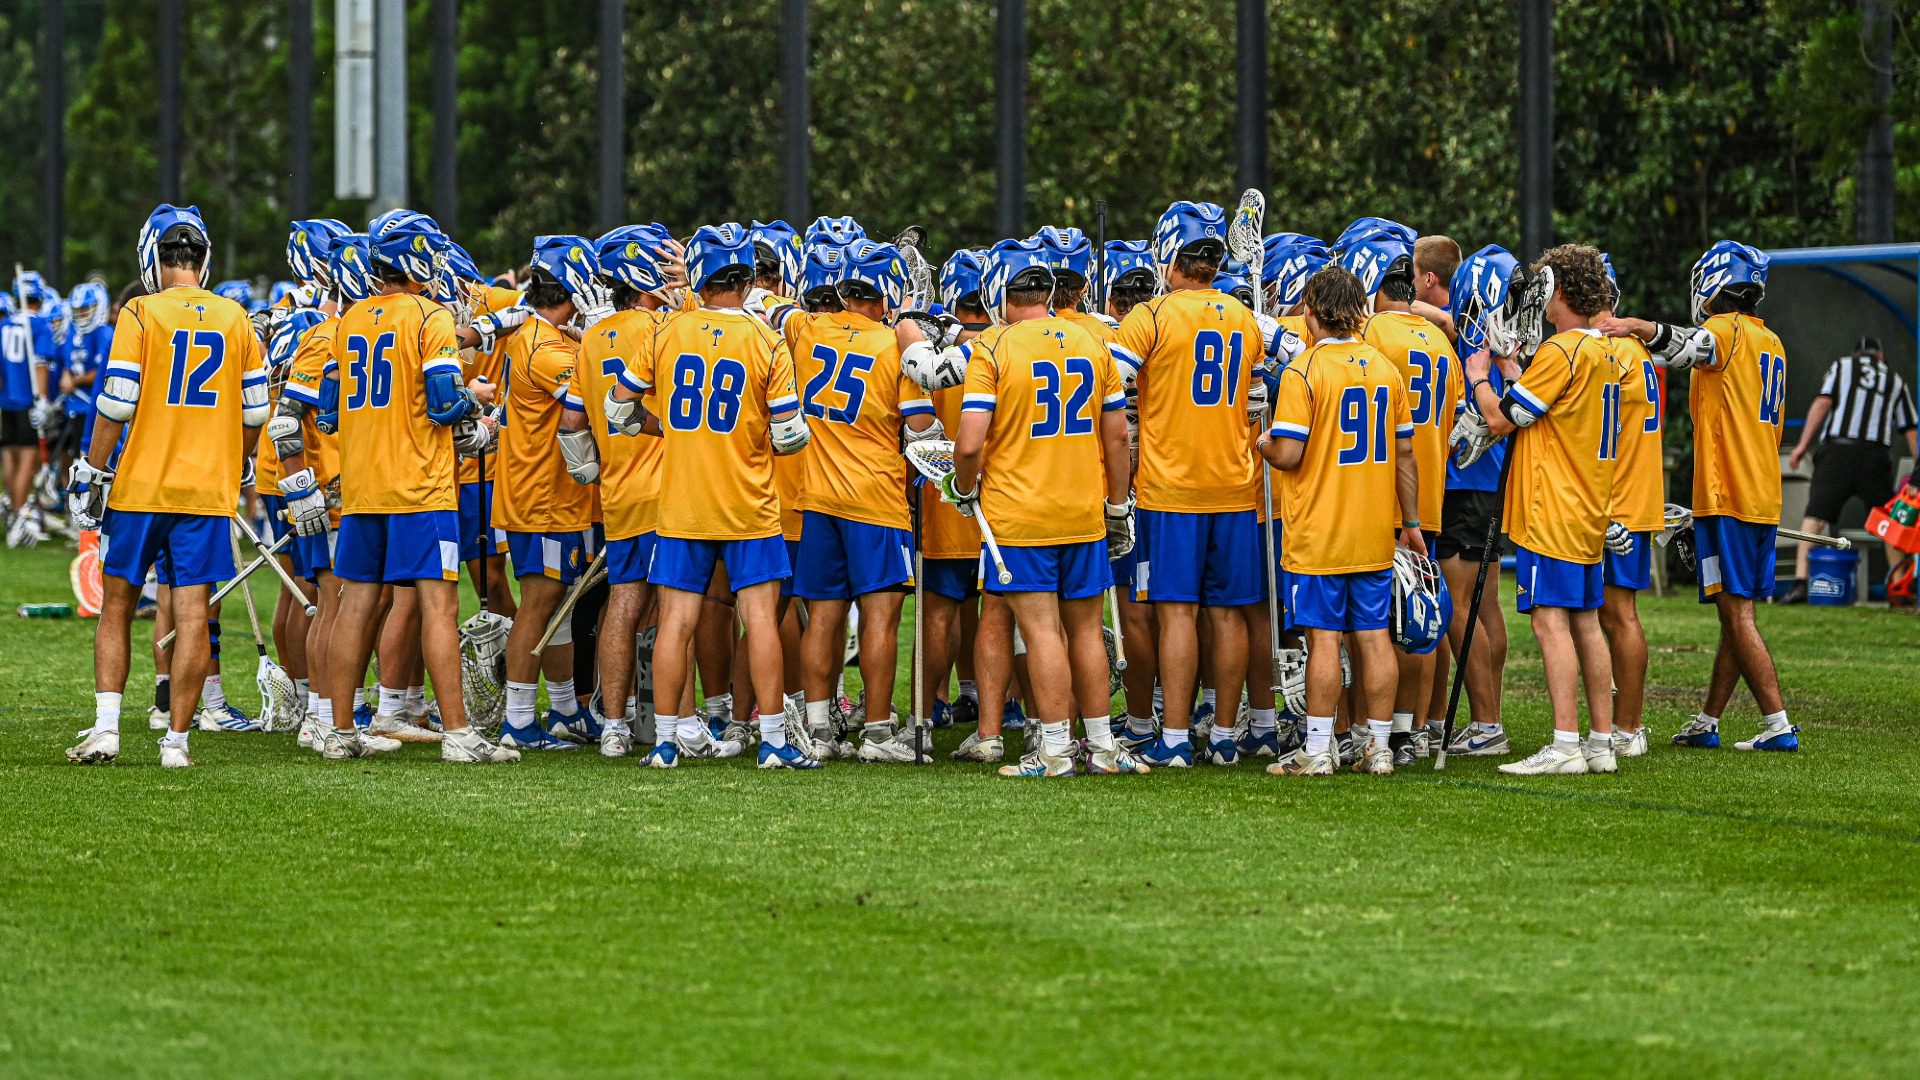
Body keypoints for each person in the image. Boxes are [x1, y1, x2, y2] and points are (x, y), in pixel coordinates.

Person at [605, 222, 817, 770]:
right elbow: (789, 435)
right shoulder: (766, 339)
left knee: (676, 620)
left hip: (682, 500)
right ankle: (772, 740)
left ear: (698, 277)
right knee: (761, 619)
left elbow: (618, 409)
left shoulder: (666, 331)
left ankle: (668, 741)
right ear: (748, 280)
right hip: (749, 500)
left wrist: (665, 430)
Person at [64, 205, 269, 767]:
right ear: (203, 258)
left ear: (154, 257)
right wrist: (240, 462)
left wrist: (91, 468)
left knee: (117, 605)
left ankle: (108, 728)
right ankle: (177, 740)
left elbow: (116, 401)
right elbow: (255, 414)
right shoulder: (236, 317)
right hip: (206, 488)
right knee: (193, 612)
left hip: (141, 484)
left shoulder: (140, 312)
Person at [937, 237, 1144, 778]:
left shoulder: (994, 347)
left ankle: (1053, 748)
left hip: (1020, 513)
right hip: (1082, 509)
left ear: (999, 292)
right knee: (1084, 629)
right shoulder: (1090, 341)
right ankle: (1099, 744)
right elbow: (1117, 436)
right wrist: (1118, 504)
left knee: (1042, 632)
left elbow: (968, 443)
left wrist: (963, 487)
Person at [317, 209, 518, 763]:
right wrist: (479, 426)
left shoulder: (351, 319)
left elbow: (329, 413)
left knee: (355, 605)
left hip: (362, 485)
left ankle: (338, 729)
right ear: (417, 262)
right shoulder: (429, 317)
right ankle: (458, 732)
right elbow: (446, 400)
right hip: (420, 485)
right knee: (439, 607)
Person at [1599, 241, 1799, 752]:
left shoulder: (1725, 329)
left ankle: (1777, 724)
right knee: (1736, 610)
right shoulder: (1770, 338)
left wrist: (1638, 327)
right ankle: (1709, 719)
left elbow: (1689, 348)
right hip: (1761, 492)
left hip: (1729, 493)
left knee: (1737, 614)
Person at [1111, 201, 1268, 768]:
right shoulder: (1244, 318)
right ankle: (1225, 736)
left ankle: (1175, 737)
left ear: (1168, 253)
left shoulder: (1149, 316)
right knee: (1228, 613)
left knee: (1176, 610)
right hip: (1235, 484)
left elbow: (1110, 389)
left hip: (1170, 488)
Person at [1457, 244, 1619, 775]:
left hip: (1554, 506)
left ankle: (1566, 743)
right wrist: (1513, 363)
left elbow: (1504, 419)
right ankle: (1600, 742)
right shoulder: (1600, 350)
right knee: (1587, 624)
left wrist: (1482, 373)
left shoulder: (1562, 351)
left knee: (1551, 625)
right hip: (1589, 504)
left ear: (1560, 292)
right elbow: (1551, 401)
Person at [1260, 266, 1422, 777]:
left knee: (1323, 640)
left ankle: (1319, 748)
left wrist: (1261, 442)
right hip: (1373, 525)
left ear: (1311, 310)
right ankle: (1377, 747)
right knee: (1374, 635)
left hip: (1319, 529)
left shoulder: (1304, 370)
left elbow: (1287, 454)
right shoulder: (1384, 368)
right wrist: (1411, 521)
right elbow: (1405, 455)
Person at [786, 239, 937, 763]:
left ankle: (820, 730)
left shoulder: (806, 330)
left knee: (823, 616)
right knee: (880, 620)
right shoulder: (894, 347)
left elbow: (773, 308)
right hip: (875, 497)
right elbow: (920, 426)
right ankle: (876, 733)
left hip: (818, 497)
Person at [562, 224, 681, 757]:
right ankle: (661, 720)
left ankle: (614, 724)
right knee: (671, 604)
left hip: (618, 489)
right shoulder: (665, 328)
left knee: (623, 601)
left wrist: (593, 468)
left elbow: (570, 420)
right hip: (668, 484)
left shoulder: (590, 337)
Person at [1348, 229, 1462, 766]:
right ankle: (1412, 729)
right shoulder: (1441, 342)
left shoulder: (1370, 334)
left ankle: (1374, 731)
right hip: (1430, 495)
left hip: (1386, 493)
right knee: (1420, 617)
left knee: (1379, 622)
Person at [490, 236, 604, 752]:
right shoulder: (546, 347)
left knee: (554, 603)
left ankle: (563, 710)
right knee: (538, 604)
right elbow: (599, 398)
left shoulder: (537, 334)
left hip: (543, 491)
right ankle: (518, 719)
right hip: (541, 496)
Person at [1434, 246, 1521, 756]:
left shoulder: (1484, 346)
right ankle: (1491, 716)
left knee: (1458, 606)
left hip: (1468, 483)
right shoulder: (1508, 337)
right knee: (1485, 605)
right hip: (1490, 484)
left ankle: (1488, 724)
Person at [1781, 336, 1917, 602]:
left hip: (1838, 453)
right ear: (1880, 355)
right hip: (1874, 456)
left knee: (1816, 515)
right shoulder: (1895, 379)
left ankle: (1801, 581)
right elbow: (1911, 428)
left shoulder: (1842, 366)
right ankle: (1899, 588)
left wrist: (1802, 445)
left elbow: (1823, 403)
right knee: (1886, 522)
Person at [1597, 255, 1662, 758]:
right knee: (1615, 614)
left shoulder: (1612, 352)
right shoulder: (1636, 348)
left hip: (1615, 498)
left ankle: (1627, 726)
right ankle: (1627, 724)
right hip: (1633, 493)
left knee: (1618, 614)